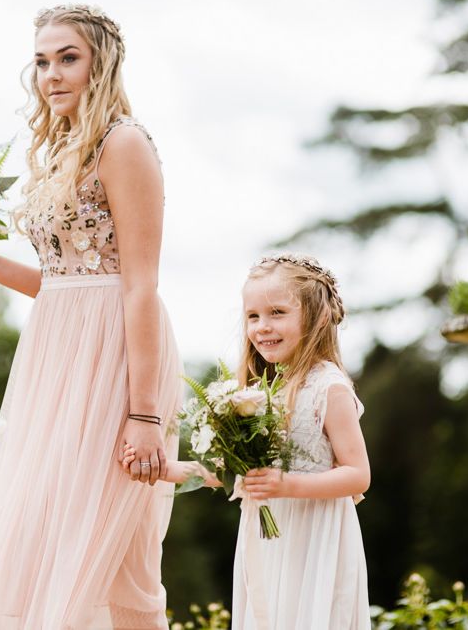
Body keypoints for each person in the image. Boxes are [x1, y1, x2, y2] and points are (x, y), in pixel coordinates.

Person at [0, 4, 182, 629]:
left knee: (107, 548)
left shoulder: (123, 144)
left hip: (118, 355)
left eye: (67, 58)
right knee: (37, 525)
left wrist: (143, 412)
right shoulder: (62, 150)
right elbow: (65, 283)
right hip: (54, 356)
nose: (51, 74)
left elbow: (139, 283)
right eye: (41, 61)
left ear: (102, 62)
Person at [124, 254, 371, 629]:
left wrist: (288, 485)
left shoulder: (329, 387)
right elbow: (231, 474)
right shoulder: (260, 393)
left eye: (277, 313)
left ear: (318, 316)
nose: (262, 327)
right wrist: (160, 468)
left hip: (315, 538)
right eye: (253, 316)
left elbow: (358, 475)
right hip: (266, 539)